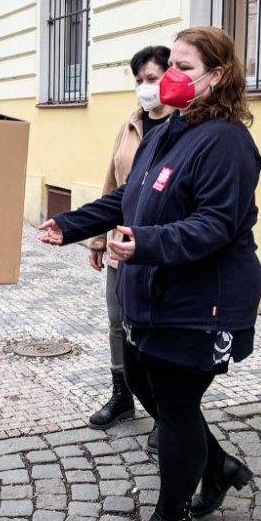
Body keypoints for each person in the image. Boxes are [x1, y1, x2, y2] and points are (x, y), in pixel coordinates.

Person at [37, 26, 261, 521]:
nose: (172, 78)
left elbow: (216, 224)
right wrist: (70, 226)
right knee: (141, 381)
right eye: (173, 66)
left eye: (184, 67)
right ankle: (218, 467)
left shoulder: (228, 141)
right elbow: (126, 199)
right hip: (155, 291)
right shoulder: (168, 129)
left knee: (177, 404)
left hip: (204, 299)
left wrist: (147, 243)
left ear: (218, 75)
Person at [86, 46, 174, 455]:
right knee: (117, 322)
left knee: (158, 333)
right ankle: (123, 395)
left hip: (159, 251)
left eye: (152, 79)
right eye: (138, 80)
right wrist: (99, 239)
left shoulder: (184, 128)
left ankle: (166, 414)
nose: (144, 88)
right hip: (121, 245)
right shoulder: (131, 125)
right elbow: (112, 184)